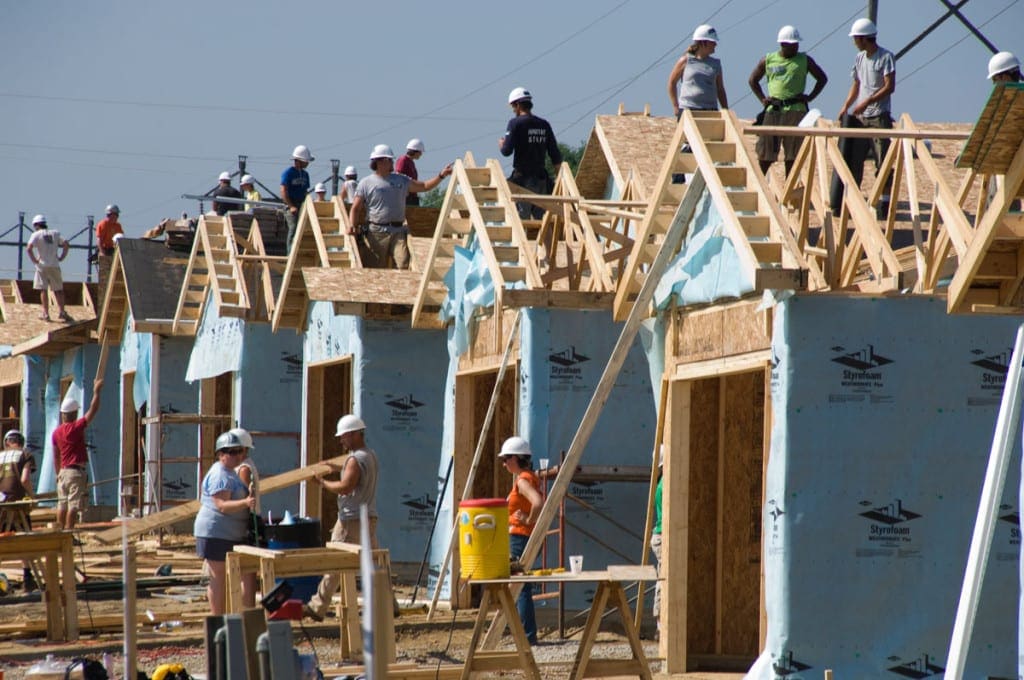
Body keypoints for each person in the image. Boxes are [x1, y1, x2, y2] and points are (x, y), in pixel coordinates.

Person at [305, 414, 380, 621]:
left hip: (351, 520)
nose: (341, 440)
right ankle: (388, 605)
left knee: (335, 563)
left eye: (344, 436)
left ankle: (317, 606)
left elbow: (346, 487)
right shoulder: (369, 455)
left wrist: (322, 482)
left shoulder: (355, 460)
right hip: (367, 517)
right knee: (375, 564)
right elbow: (351, 468)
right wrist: (332, 465)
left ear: (355, 435)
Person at [348, 144, 453, 269]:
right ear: (380, 161)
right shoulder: (366, 183)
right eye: (389, 160)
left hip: (398, 232)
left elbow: (424, 186)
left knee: (403, 265)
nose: (392, 162)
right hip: (376, 233)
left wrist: (441, 175)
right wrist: (351, 226)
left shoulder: (401, 180)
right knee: (374, 269)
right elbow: (356, 208)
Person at [833, 18, 896, 218]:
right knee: (854, 160)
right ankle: (852, 204)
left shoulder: (886, 57)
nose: (854, 43)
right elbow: (856, 84)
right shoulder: (859, 58)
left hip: (879, 117)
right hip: (861, 118)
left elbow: (889, 86)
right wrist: (846, 106)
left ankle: (883, 206)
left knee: (883, 162)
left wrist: (867, 102)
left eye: (856, 39)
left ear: (864, 39)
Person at [748, 25, 828, 175]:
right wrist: (763, 99)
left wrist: (809, 97)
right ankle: (760, 189)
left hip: (796, 111)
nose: (796, 47)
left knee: (793, 156)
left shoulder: (804, 60)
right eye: (792, 44)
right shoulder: (768, 60)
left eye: (797, 44)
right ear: (783, 44)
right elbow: (753, 80)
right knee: (765, 154)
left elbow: (822, 78)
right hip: (774, 111)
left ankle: (788, 194)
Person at [193, 431, 256, 615]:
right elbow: (221, 505)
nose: (237, 456)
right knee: (218, 577)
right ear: (221, 454)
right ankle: (218, 620)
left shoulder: (229, 472)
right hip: (216, 533)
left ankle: (231, 617)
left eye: (239, 451)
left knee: (228, 575)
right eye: (232, 452)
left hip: (226, 533)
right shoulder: (221, 474)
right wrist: (245, 502)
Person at [499, 436, 543, 645]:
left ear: (517, 458)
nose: (504, 463)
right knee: (520, 585)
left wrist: (527, 520)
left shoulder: (523, 480)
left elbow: (538, 502)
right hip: (522, 536)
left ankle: (526, 636)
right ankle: (525, 634)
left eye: (506, 458)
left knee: (519, 586)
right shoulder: (528, 477)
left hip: (519, 537)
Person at [499, 88, 562, 220]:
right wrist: (559, 179)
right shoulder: (544, 124)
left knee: (520, 220)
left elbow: (506, 151)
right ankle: (547, 241)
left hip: (522, 180)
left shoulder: (515, 123)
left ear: (517, 105)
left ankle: (521, 241)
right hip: (541, 180)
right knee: (543, 221)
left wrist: (502, 145)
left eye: (513, 107)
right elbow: (555, 154)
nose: (513, 110)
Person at [52, 379, 103, 530]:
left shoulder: (56, 433)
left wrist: (58, 474)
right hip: (75, 472)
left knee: (62, 504)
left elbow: (56, 456)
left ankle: (59, 534)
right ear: (74, 414)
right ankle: (68, 534)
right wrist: (97, 392)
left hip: (62, 472)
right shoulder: (76, 427)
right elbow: (92, 410)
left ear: (63, 414)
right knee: (73, 506)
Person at [0, 430, 38, 591]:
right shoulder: (25, 455)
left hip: (1, 505)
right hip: (18, 506)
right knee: (26, 542)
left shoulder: (0, 456)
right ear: (20, 441)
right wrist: (32, 496)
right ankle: (28, 579)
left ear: (7, 442)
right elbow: (25, 479)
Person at [668, 25, 729, 118]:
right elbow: (672, 83)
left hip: (710, 111)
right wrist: (675, 106)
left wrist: (726, 111)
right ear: (703, 42)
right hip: (688, 110)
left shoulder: (716, 64)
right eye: (712, 42)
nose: (715, 44)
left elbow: (720, 89)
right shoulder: (685, 61)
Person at [26, 214, 70, 322]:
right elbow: (66, 244)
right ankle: (62, 312)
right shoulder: (54, 233)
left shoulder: (36, 234)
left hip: (42, 266)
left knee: (43, 290)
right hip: (54, 265)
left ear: (36, 225)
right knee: (58, 290)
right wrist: (62, 257)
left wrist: (34, 260)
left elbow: (29, 248)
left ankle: (45, 313)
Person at [281, 145, 314, 251]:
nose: (308, 163)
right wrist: (291, 206)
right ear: (299, 161)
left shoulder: (305, 174)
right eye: (306, 161)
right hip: (291, 204)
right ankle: (290, 254)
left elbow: (305, 191)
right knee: (294, 227)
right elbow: (283, 191)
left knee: (304, 228)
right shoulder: (288, 173)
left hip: (302, 204)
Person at [649, 449, 663, 637]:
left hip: (659, 536)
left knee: (663, 578)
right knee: (665, 580)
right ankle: (661, 623)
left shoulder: (660, 482)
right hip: (662, 536)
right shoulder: (664, 483)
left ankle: (661, 623)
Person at [395, 139, 425, 206]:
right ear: (415, 151)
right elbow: (398, 175)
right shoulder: (403, 160)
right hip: (405, 197)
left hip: (412, 196)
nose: (421, 154)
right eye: (420, 152)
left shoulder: (411, 162)